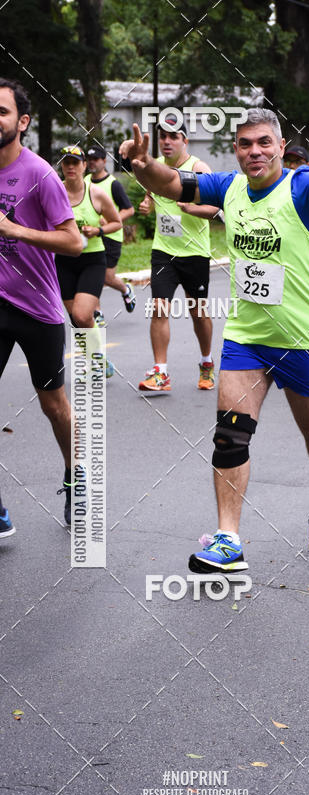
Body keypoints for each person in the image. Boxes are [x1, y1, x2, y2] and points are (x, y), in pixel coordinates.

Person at [120, 100, 309, 571]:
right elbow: (171, 183)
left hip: (302, 338)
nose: (254, 152)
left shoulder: (304, 188)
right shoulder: (228, 187)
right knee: (229, 436)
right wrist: (142, 164)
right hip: (246, 337)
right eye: (244, 144)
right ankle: (228, 539)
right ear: (235, 149)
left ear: (279, 146)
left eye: (263, 143)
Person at [0, 79, 83, 532]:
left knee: (53, 405)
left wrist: (17, 232)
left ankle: (76, 475)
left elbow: (74, 241)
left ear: (22, 122)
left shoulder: (40, 175)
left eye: (2, 111)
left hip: (38, 309)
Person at [137, 113, 219, 392]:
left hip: (194, 253)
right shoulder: (154, 166)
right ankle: (160, 372)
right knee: (159, 308)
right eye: (163, 136)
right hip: (163, 250)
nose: (167, 141)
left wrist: (192, 208)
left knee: (198, 312)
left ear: (185, 140)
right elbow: (151, 191)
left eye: (173, 136)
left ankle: (206, 362)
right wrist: (147, 203)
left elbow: (217, 207)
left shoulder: (199, 168)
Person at [54, 145, 122, 378]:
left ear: (85, 166)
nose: (71, 167)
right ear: (62, 166)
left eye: (76, 163)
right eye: (66, 163)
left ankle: (98, 356)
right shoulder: (54, 191)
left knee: (84, 315)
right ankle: (97, 359)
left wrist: (98, 230)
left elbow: (116, 223)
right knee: (75, 318)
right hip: (63, 261)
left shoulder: (97, 193)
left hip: (92, 260)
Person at [85, 145, 136, 314]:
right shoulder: (84, 181)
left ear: (104, 161)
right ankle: (96, 312)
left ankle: (125, 289)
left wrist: (110, 221)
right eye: (89, 160)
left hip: (111, 236)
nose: (92, 163)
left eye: (95, 160)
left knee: (107, 277)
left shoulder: (113, 184)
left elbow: (129, 209)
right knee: (91, 274)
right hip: (90, 236)